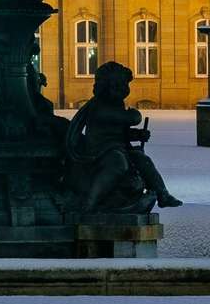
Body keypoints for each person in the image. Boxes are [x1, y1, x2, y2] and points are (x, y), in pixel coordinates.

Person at [68, 61, 181, 211]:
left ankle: (163, 194)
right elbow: (129, 118)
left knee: (143, 159)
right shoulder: (99, 106)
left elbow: (119, 131)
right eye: (119, 85)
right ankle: (90, 202)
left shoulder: (116, 104)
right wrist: (134, 115)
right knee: (118, 163)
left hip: (116, 148)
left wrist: (137, 135)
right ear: (107, 86)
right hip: (99, 152)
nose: (124, 89)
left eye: (124, 85)